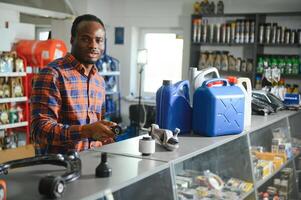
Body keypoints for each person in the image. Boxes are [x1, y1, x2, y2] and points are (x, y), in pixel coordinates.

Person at [31, 14, 116, 155]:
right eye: (85, 39)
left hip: (92, 164)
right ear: (72, 39)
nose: (93, 45)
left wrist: (106, 135)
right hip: (59, 168)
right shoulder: (53, 74)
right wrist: (86, 131)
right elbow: (39, 130)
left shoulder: (99, 81)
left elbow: (95, 130)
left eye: (99, 40)